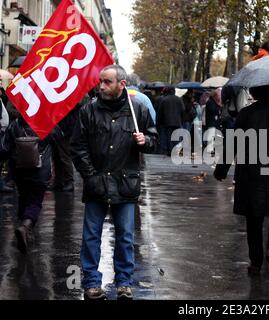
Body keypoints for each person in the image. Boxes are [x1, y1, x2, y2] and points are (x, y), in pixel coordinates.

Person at [70, 65, 158, 300]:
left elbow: (154, 140)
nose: (101, 86)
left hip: (125, 184)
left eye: (107, 82)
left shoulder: (137, 109)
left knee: (125, 236)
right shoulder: (88, 111)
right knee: (91, 236)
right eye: (100, 81)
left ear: (122, 84)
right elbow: (78, 147)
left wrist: (145, 140)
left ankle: (124, 282)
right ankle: (91, 282)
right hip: (96, 182)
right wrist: (90, 175)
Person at [214, 84, 269, 275]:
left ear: (254, 92)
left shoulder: (246, 114)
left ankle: (255, 262)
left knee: (254, 219)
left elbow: (233, 143)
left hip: (251, 173)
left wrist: (222, 170)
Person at [0, 115, 61, 254]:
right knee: (35, 200)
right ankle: (26, 226)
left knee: (23, 195)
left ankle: (24, 228)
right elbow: (58, 137)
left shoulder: (15, 124)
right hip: (40, 170)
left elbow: (4, 148)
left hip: (19, 169)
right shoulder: (46, 121)